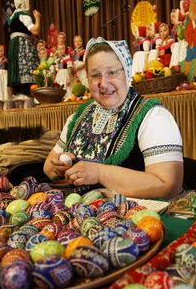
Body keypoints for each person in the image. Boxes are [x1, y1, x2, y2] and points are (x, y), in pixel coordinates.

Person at [44, 37, 184, 199]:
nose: (103, 83)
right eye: (95, 75)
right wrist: (62, 166)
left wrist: (99, 173)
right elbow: (48, 167)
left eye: (112, 72)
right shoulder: (78, 116)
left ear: (126, 71)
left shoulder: (154, 117)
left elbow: (168, 185)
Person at [7, 0, 41, 96]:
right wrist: (38, 18)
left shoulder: (12, 17)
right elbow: (35, 30)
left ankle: (19, 95)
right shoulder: (23, 14)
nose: (29, 5)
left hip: (14, 46)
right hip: (22, 46)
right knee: (26, 72)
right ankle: (27, 94)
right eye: (28, 3)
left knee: (17, 73)